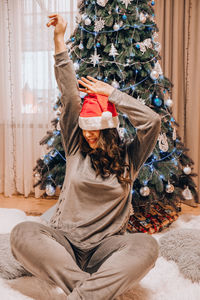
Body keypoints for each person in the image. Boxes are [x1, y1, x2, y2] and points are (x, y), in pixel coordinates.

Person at [10, 14, 161, 300]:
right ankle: (92, 291)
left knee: (148, 247)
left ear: (108, 130)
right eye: (85, 128)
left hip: (106, 250)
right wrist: (58, 41)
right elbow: (69, 97)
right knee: (22, 233)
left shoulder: (131, 156)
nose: (89, 135)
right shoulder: (76, 148)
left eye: (95, 131)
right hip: (64, 243)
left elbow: (152, 122)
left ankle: (83, 294)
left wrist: (113, 94)